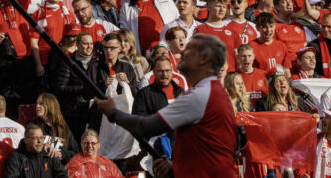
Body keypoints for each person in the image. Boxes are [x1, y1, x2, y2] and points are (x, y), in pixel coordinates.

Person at [95, 33, 237, 178]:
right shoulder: (211, 91)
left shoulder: (200, 96)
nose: (182, 56)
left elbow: (145, 126)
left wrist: (113, 113)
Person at [4, 124, 68, 178]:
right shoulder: (16, 157)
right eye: (35, 138)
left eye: (41, 137)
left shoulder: (49, 154)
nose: (39, 141)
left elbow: (63, 175)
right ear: (26, 140)